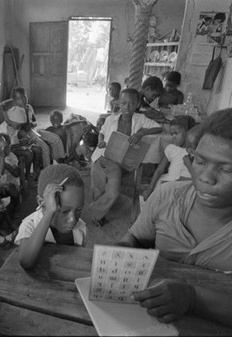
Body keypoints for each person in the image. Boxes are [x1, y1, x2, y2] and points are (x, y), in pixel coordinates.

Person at [119, 107, 232, 335]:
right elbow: (137, 238)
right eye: (200, 161)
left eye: (225, 168)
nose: (204, 177)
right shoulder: (167, 195)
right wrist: (122, 250)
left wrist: (194, 300)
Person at [90, 88, 162, 227]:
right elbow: (102, 132)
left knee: (113, 192)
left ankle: (95, 211)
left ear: (137, 104)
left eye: (131, 103)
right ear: (118, 103)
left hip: (116, 162)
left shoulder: (140, 119)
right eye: (123, 103)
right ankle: (98, 215)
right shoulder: (111, 119)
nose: (127, 107)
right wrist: (100, 140)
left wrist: (141, 133)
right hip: (101, 157)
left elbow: (158, 128)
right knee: (98, 188)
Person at [15, 164, 86, 269]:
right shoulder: (29, 225)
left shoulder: (81, 227)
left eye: (78, 210)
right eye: (64, 211)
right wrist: (49, 213)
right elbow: (26, 262)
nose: (73, 219)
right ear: (42, 203)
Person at [5, 87, 65, 167]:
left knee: (56, 139)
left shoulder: (29, 107)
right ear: (15, 101)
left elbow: (35, 121)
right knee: (44, 147)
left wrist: (32, 124)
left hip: (35, 131)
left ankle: (61, 163)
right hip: (26, 136)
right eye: (19, 99)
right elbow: (17, 128)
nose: (23, 100)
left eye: (24, 97)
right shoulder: (16, 112)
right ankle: (46, 169)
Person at [143, 115, 196, 200]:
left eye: (176, 133)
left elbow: (196, 176)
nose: (173, 136)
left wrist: (189, 164)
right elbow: (159, 170)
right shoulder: (171, 148)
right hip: (170, 180)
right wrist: (150, 188)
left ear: (189, 132)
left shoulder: (195, 152)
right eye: (172, 134)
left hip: (186, 185)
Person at [0, 133, 21, 198]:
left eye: (6, 148)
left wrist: (5, 165)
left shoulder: (11, 157)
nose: (2, 151)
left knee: (12, 191)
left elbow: (16, 173)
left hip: (11, 183)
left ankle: (16, 202)